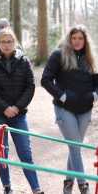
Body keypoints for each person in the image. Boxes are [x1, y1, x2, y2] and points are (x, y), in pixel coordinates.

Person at [0, 28, 44, 194]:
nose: (7, 45)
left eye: (10, 41)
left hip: (18, 114)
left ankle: (36, 188)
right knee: (2, 151)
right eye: (3, 42)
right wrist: (4, 108)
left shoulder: (23, 61)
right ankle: (7, 187)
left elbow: (30, 86)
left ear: (14, 43)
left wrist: (17, 107)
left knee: (25, 151)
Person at [41, 25, 97, 194]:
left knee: (75, 148)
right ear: (69, 39)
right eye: (74, 38)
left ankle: (67, 183)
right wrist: (63, 96)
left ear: (85, 40)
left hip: (85, 110)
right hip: (65, 109)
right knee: (74, 146)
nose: (77, 41)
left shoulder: (91, 58)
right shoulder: (59, 55)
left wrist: (94, 96)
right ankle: (83, 185)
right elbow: (46, 80)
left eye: (80, 38)